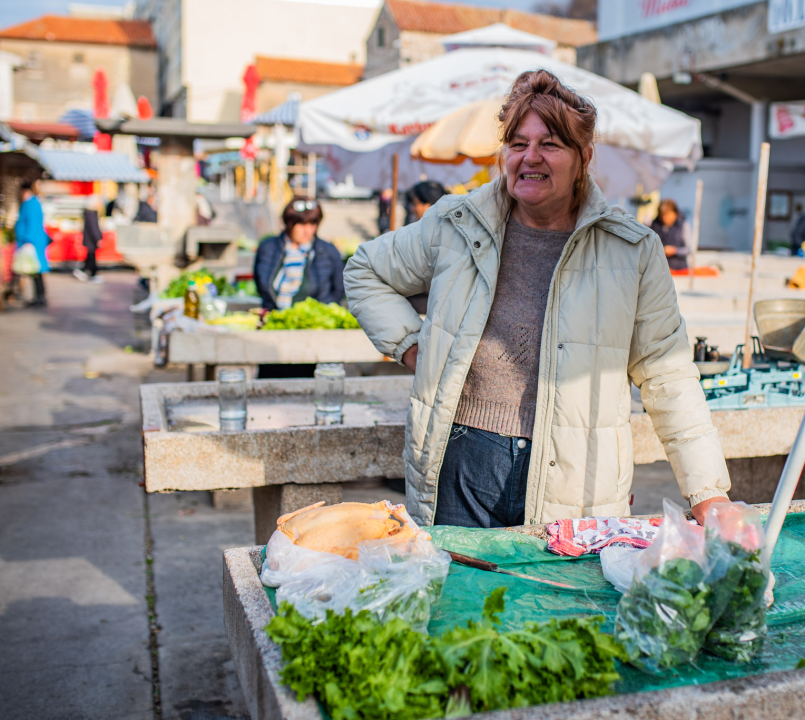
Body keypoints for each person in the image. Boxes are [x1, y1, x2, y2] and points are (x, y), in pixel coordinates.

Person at [344, 70, 732, 529]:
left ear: (584, 157)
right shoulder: (457, 224)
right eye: (517, 143)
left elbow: (668, 374)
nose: (530, 157)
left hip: (575, 472)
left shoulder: (632, 249)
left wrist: (708, 492)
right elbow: (364, 269)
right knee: (460, 579)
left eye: (550, 144)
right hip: (462, 460)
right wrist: (415, 346)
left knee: (558, 581)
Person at [253, 199, 344, 311]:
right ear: (289, 224)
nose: (307, 231)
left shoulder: (328, 251)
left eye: (312, 224)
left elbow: (339, 289)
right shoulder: (268, 248)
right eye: (301, 224)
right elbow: (260, 283)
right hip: (274, 315)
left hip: (316, 317)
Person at [14, 179, 51, 307]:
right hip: (35, 241)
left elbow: (31, 224)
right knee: (36, 270)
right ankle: (39, 296)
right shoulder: (35, 202)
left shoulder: (29, 204)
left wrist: (28, 241)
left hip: (31, 242)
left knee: (33, 269)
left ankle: (39, 296)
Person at [650, 199, 689, 271]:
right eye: (662, 215)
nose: (664, 218)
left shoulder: (683, 225)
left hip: (679, 270)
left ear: (675, 213)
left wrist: (675, 250)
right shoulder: (654, 225)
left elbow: (688, 249)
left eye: (667, 214)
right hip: (659, 270)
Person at [74, 196, 104, 283]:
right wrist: (98, 238)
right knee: (91, 256)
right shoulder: (91, 214)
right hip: (91, 239)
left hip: (89, 239)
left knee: (90, 257)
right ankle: (91, 273)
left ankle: (88, 272)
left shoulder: (88, 213)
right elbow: (94, 228)